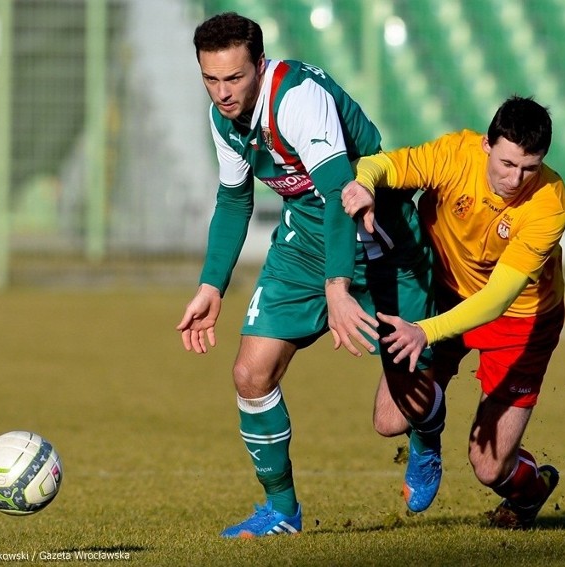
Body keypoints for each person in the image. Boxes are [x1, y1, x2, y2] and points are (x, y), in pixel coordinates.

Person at [176, 12, 444, 538]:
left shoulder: (298, 98)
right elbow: (234, 200)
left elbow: (342, 196)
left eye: (234, 78)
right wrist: (212, 285)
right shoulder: (222, 119)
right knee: (250, 374)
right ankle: (282, 511)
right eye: (211, 79)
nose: (223, 93)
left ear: (259, 65)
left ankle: (427, 437)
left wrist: (338, 286)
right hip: (303, 243)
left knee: (399, 410)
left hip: (380, 240)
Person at [342, 95, 565, 529]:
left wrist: (424, 332)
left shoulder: (550, 202)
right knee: (390, 420)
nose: (516, 178)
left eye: (529, 167)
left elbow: (497, 299)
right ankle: (427, 440)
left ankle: (530, 492)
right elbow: (382, 165)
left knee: (489, 468)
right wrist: (366, 185)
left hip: (520, 320)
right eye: (506, 163)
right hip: (443, 295)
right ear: (486, 145)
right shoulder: (454, 155)